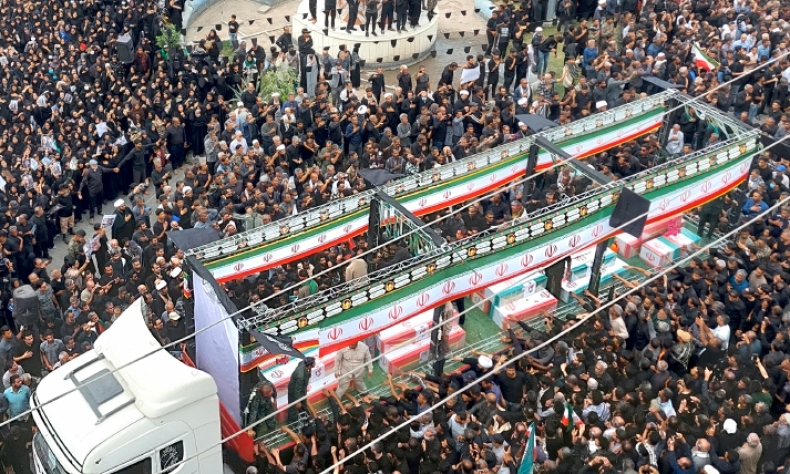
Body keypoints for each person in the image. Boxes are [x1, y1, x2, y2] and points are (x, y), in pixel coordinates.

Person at [287, 357, 315, 422]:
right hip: (294, 391)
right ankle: (292, 422)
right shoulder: (301, 376)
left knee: (304, 403)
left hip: (302, 389)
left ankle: (306, 416)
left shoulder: (304, 363)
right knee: (293, 407)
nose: (315, 363)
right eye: (314, 362)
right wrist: (297, 401)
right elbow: (297, 390)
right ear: (309, 365)